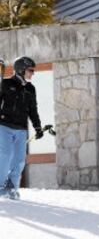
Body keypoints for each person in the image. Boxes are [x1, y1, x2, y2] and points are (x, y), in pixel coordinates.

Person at [0, 56, 43, 200]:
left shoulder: (31, 88)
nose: (32, 73)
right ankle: (0, 186)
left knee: (19, 160)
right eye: (30, 70)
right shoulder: (5, 84)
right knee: (5, 156)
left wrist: (38, 127)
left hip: (21, 129)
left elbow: (33, 110)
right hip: (4, 126)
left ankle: (12, 187)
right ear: (21, 69)